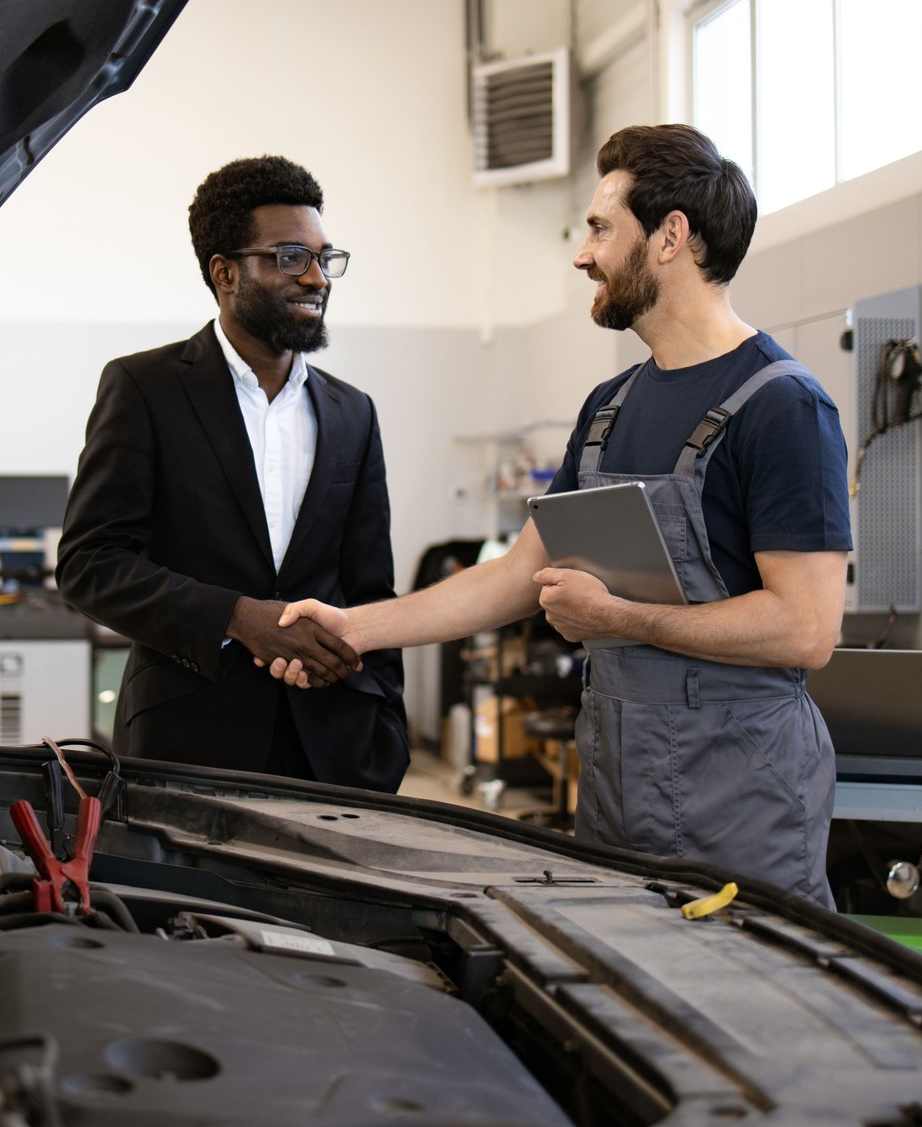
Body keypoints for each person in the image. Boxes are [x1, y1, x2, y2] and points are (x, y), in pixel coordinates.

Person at [272, 125, 850, 906]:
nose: (583, 254)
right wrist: (354, 628)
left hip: (740, 788)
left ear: (672, 237)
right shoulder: (610, 407)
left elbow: (805, 628)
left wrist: (619, 618)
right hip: (619, 773)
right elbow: (517, 573)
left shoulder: (783, 407)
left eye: (601, 228)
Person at [57, 155, 407, 792]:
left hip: (335, 747)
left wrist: (386, 722)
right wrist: (237, 617)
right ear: (225, 272)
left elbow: (370, 587)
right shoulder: (145, 388)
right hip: (186, 743)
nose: (318, 279)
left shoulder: (352, 413)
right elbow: (90, 564)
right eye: (292, 257)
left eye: (326, 259)